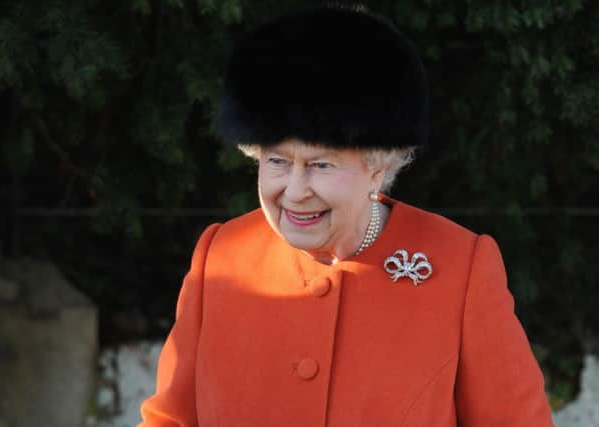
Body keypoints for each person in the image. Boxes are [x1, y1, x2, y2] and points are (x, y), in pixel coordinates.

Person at [138, 6, 554, 427]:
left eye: (321, 165)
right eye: (278, 161)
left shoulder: (460, 268)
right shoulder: (220, 256)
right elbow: (169, 420)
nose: (295, 191)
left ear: (378, 166)